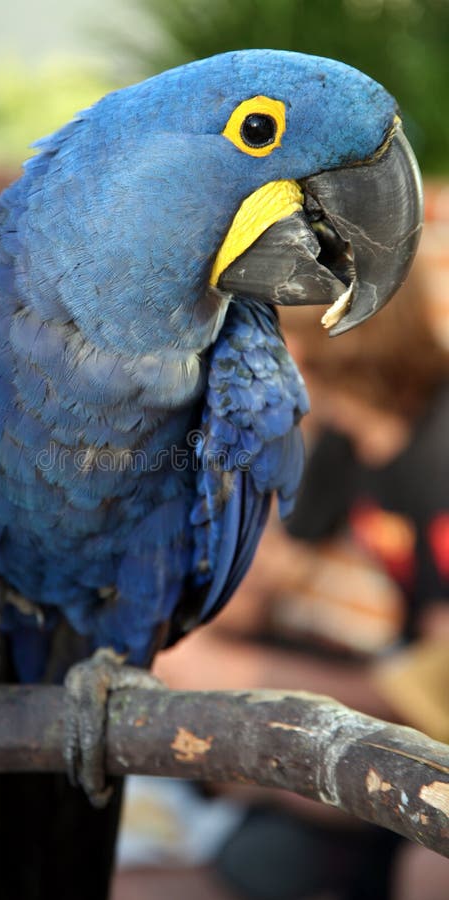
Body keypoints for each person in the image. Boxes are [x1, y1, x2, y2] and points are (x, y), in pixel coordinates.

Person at [155, 270, 449, 900]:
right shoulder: (348, 436)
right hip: (395, 692)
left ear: (322, 347)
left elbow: (436, 692)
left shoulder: (438, 451)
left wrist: (228, 672)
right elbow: (265, 575)